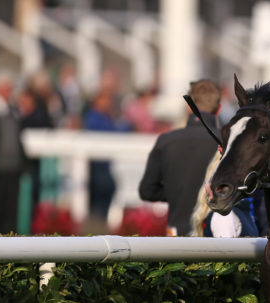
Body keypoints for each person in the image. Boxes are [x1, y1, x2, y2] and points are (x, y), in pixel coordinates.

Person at [139, 79, 226, 236]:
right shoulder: (227, 142)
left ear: (188, 106)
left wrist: (176, 191)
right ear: (219, 108)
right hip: (217, 236)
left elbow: (147, 190)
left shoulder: (166, 141)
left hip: (176, 235)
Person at [0, 71, 28, 234]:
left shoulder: (13, 110)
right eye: (7, 88)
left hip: (13, 167)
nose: (10, 92)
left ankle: (10, 243)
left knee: (11, 210)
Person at [83, 90, 132, 220]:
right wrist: (127, 126)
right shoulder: (94, 118)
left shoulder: (105, 118)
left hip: (104, 167)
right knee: (100, 199)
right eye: (105, 100)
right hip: (97, 167)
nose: (108, 103)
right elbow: (112, 134)